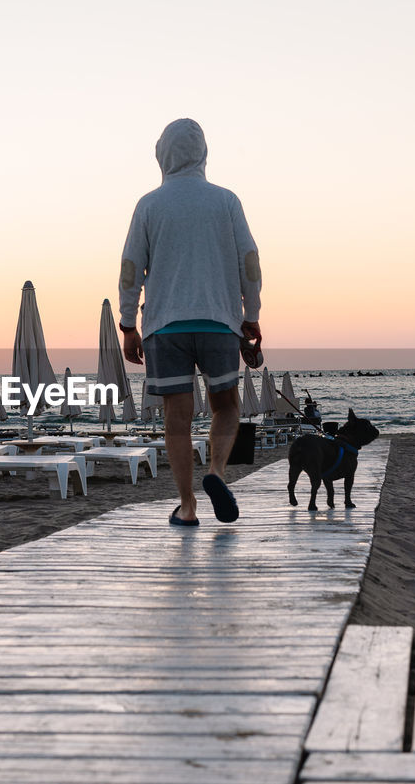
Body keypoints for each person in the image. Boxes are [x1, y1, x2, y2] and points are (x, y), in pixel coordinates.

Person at [119, 118, 262, 526]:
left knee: (177, 421)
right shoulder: (226, 201)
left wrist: (128, 325)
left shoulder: (149, 204)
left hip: (165, 326)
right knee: (226, 406)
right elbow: (249, 264)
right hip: (219, 321)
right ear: (202, 153)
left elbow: (131, 268)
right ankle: (216, 473)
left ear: (162, 154)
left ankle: (188, 506)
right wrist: (250, 317)